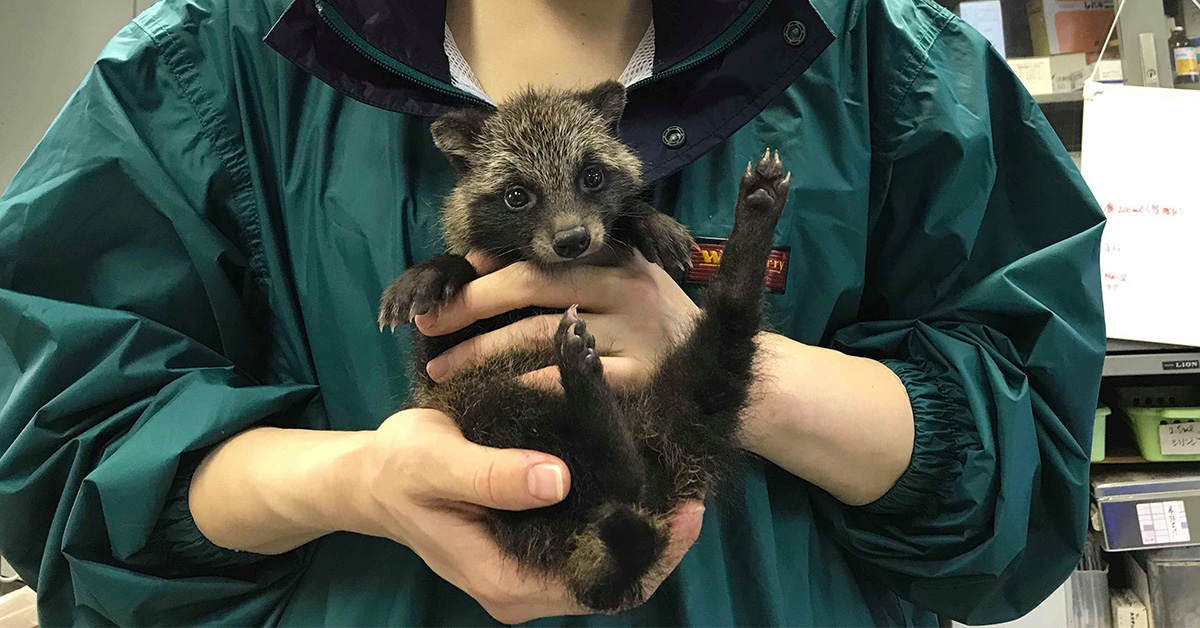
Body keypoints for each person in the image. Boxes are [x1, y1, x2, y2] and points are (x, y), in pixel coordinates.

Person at [0, 0, 1106, 625]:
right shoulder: (210, 72)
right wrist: (357, 481)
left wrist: (719, 359)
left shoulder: (886, 60)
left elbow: (1029, 467)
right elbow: (71, 468)